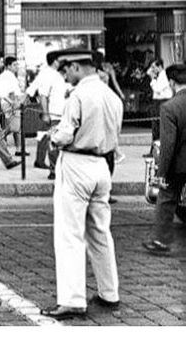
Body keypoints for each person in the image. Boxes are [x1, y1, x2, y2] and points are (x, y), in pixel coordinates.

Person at [41, 49, 123, 320]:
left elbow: (65, 134)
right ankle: (109, 293)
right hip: (103, 165)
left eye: (67, 70)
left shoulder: (78, 95)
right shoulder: (112, 96)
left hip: (77, 163)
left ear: (77, 67)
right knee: (101, 231)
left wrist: (53, 137)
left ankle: (73, 299)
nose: (66, 75)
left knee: (70, 233)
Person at [143, 63, 186, 256]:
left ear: (171, 82)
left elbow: (168, 145)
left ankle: (160, 240)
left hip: (179, 165)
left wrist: (161, 173)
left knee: (166, 199)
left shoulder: (169, 107)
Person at [27, 51, 67, 177]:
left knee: (46, 136)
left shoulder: (48, 73)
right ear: (55, 61)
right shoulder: (51, 75)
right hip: (54, 112)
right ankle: (54, 169)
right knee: (54, 141)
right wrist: (46, 113)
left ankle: (41, 161)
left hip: (57, 112)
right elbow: (43, 95)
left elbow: (33, 88)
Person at [147, 59, 173, 156]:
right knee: (155, 127)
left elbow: (157, 89)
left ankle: (160, 150)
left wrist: (153, 79)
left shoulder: (164, 76)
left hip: (163, 101)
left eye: (154, 67)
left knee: (160, 126)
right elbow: (148, 72)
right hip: (157, 102)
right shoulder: (158, 76)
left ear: (160, 66)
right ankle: (154, 150)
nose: (153, 69)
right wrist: (151, 73)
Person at [0, 56, 24, 155]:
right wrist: (14, 103)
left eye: (17, 64)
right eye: (14, 65)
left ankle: (18, 149)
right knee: (14, 127)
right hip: (11, 103)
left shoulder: (7, 75)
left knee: (16, 127)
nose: (16, 66)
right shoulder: (8, 76)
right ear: (8, 66)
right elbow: (11, 92)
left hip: (10, 102)